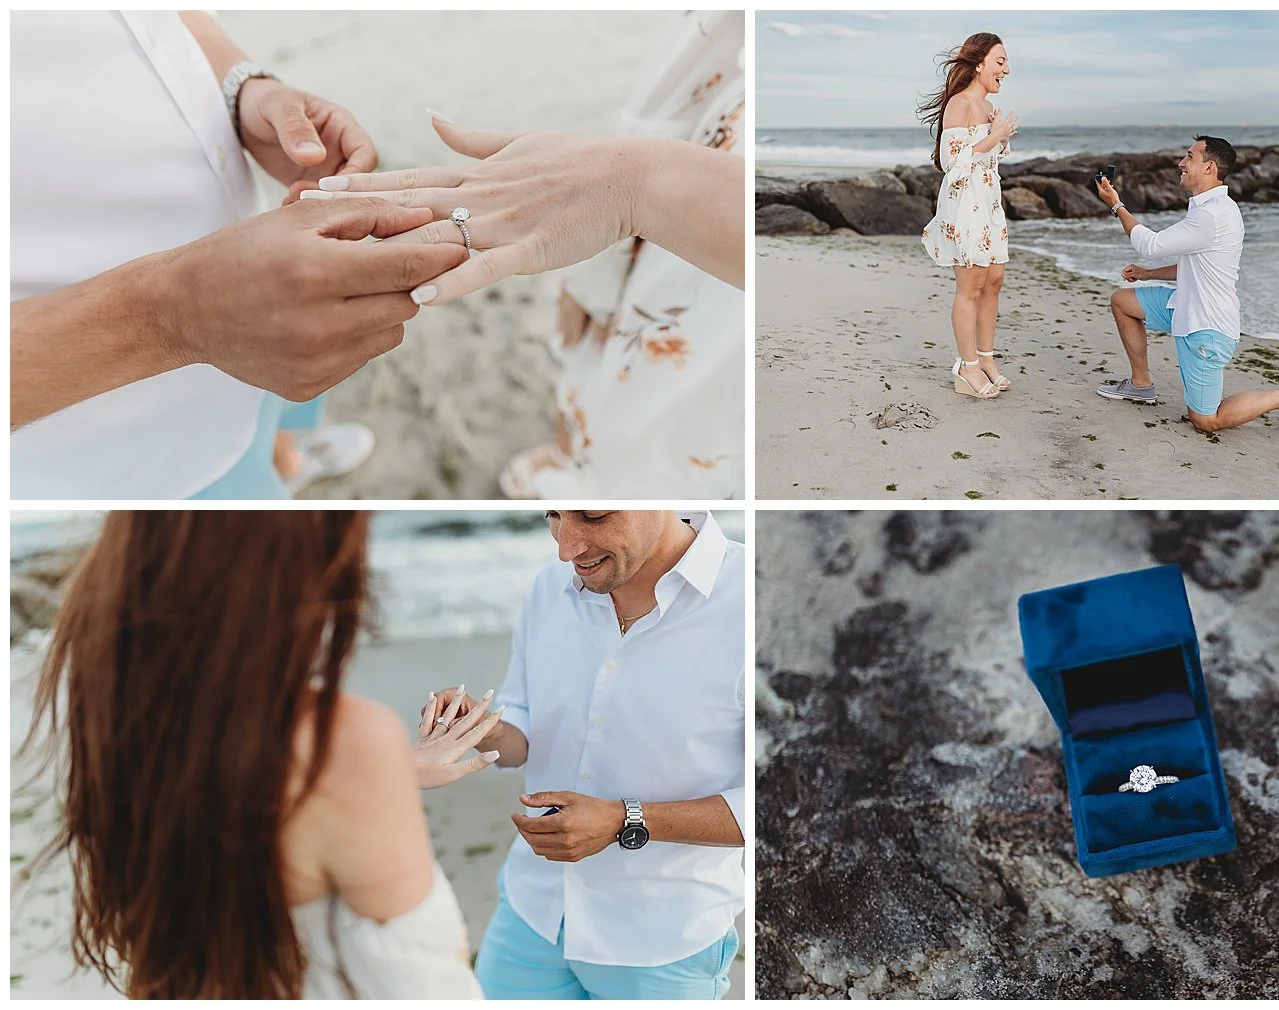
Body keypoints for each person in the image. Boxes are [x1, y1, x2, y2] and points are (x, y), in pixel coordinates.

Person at [19, 512, 499, 997]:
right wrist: (367, 771)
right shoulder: (347, 742)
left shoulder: (119, 700)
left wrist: (390, 775)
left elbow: (239, 795)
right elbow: (432, 990)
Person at [10, 12, 464, 499]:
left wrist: (243, 88)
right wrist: (172, 314)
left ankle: (286, 457)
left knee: (276, 400)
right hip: (118, 445)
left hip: (267, 267)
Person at [304, 12, 746, 498]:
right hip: (687, 182)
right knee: (616, 371)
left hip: (727, 278)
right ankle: (580, 463)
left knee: (676, 424)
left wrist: (632, 187)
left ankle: (594, 483)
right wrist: (609, 247)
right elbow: (713, 31)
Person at [427, 510, 745, 999]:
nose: (565, 548)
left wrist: (624, 820)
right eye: (553, 515)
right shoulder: (548, 588)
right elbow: (526, 734)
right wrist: (479, 729)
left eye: (592, 516)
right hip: (530, 914)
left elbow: (786, 808)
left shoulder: (753, 603)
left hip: (661, 946)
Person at [1093, 136, 1279, 436]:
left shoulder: (1212, 215)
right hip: (1184, 306)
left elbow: (1150, 244)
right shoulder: (1209, 208)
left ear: (1210, 167)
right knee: (1123, 302)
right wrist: (1148, 275)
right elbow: (1196, 265)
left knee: (1206, 421)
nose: (1181, 163)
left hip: (1206, 327)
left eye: (1189, 157)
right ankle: (1140, 385)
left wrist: (1116, 205)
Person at [917, 32, 1021, 400]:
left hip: (989, 202)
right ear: (978, 64)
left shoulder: (987, 108)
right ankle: (967, 367)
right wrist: (994, 135)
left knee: (994, 281)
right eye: (1000, 61)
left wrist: (1000, 136)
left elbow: (988, 158)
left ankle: (986, 358)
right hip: (965, 204)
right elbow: (952, 164)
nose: (1006, 70)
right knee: (971, 286)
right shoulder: (959, 104)